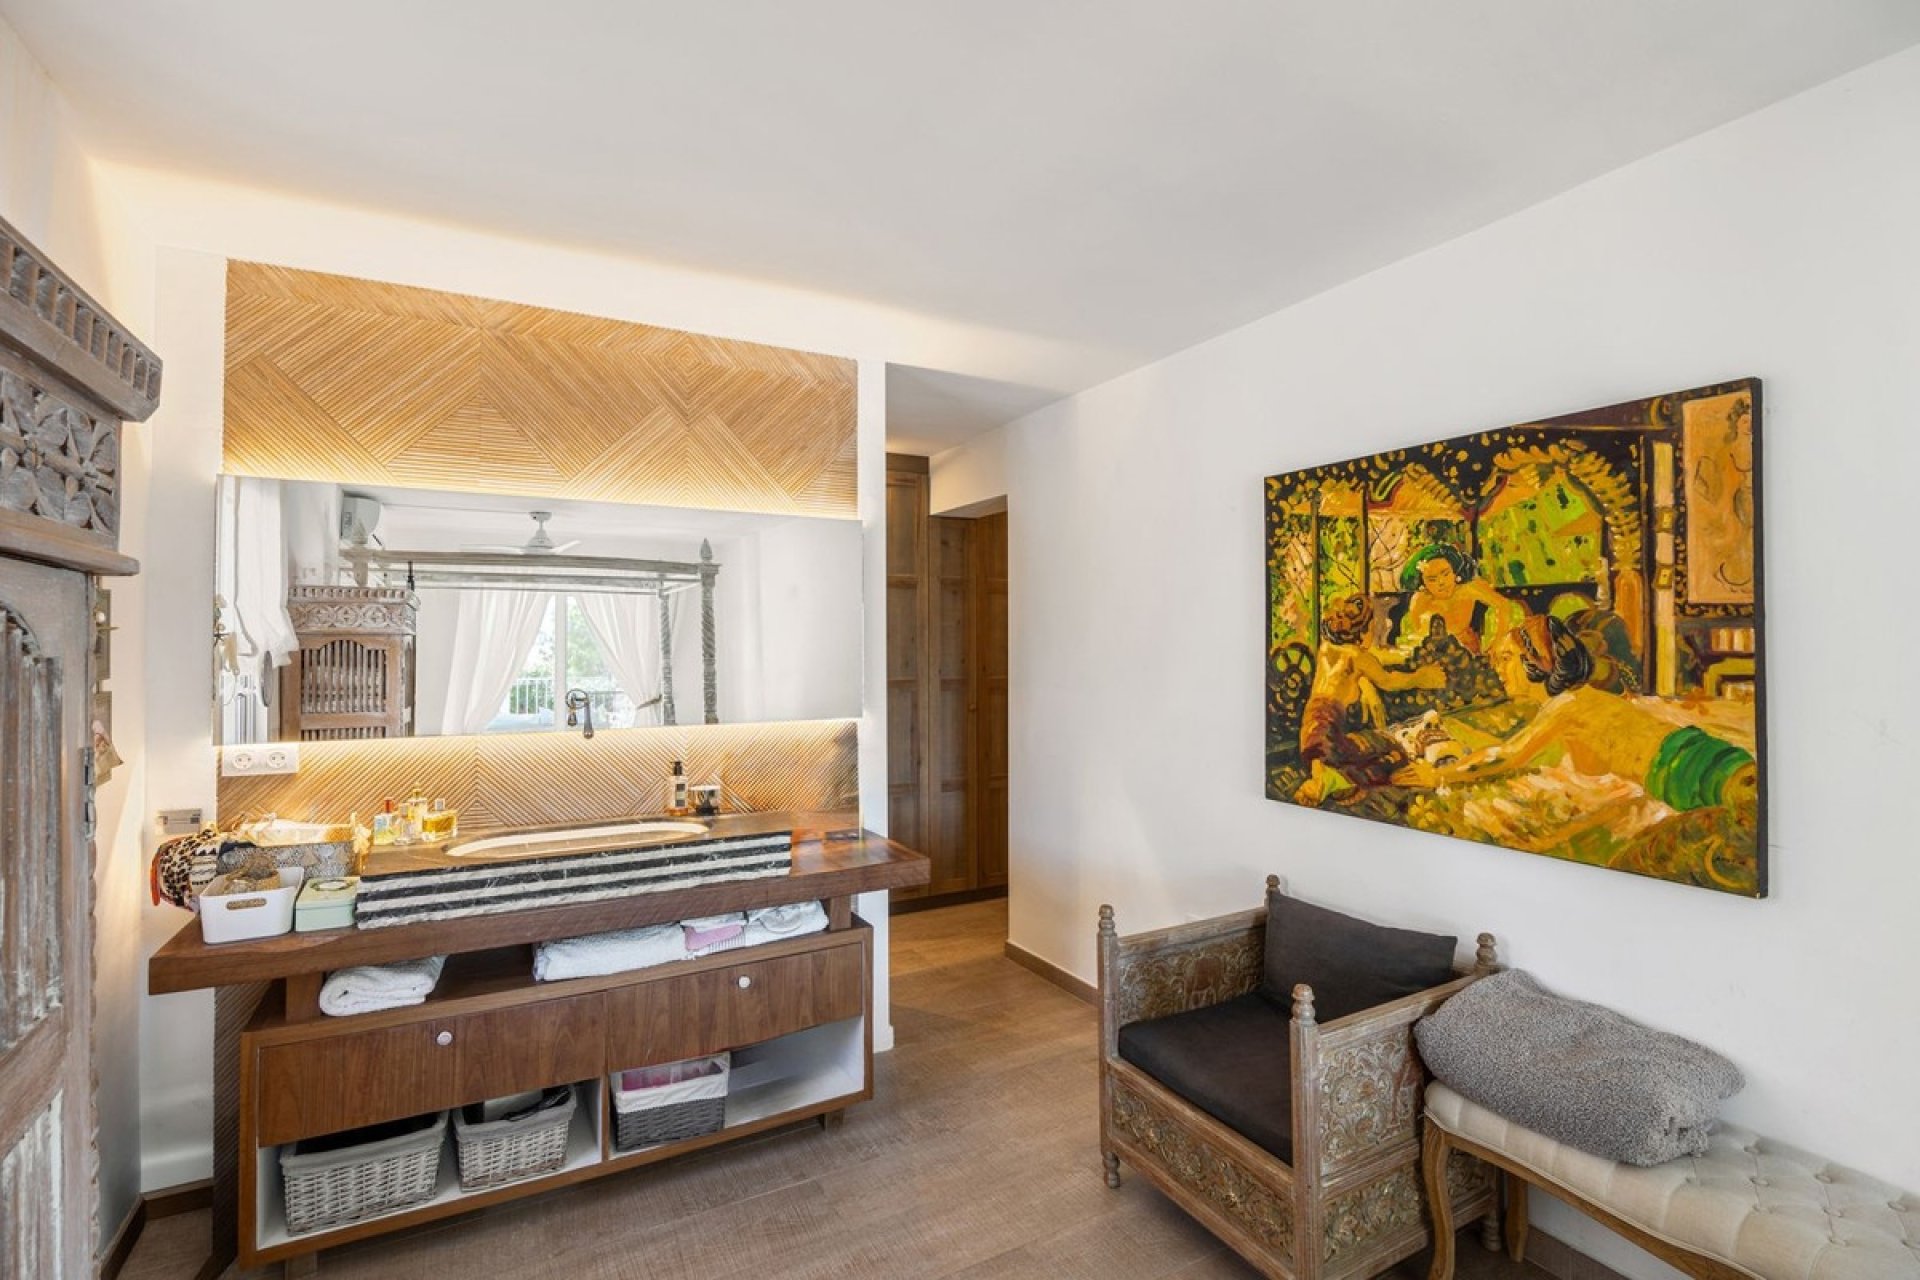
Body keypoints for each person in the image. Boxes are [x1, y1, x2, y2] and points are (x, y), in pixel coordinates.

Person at [1395, 614, 1756, 812]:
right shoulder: (1583, 699)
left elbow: (1505, 756)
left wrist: (1436, 776)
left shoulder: (1567, 706)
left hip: (1685, 771)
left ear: (1536, 663)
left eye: (1506, 659)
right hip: (1695, 755)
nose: (1498, 670)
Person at [1294, 594, 1445, 805]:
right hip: (1330, 739)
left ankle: (1322, 775)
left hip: (1309, 739)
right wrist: (1421, 677)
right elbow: (1389, 681)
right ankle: (1333, 780)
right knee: (1392, 751)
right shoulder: (1359, 657)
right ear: (1363, 632)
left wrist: (1366, 686)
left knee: (1347, 749)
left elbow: (1359, 668)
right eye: (1373, 627)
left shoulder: (1326, 648)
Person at [1396, 545, 1526, 654]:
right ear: (1423, 583)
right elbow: (1415, 639)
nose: (1441, 582)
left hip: (1473, 654)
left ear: (1454, 572)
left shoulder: (1469, 588)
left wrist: (1496, 645)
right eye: (1432, 579)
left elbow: (1503, 605)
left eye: (1446, 573)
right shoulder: (1420, 600)